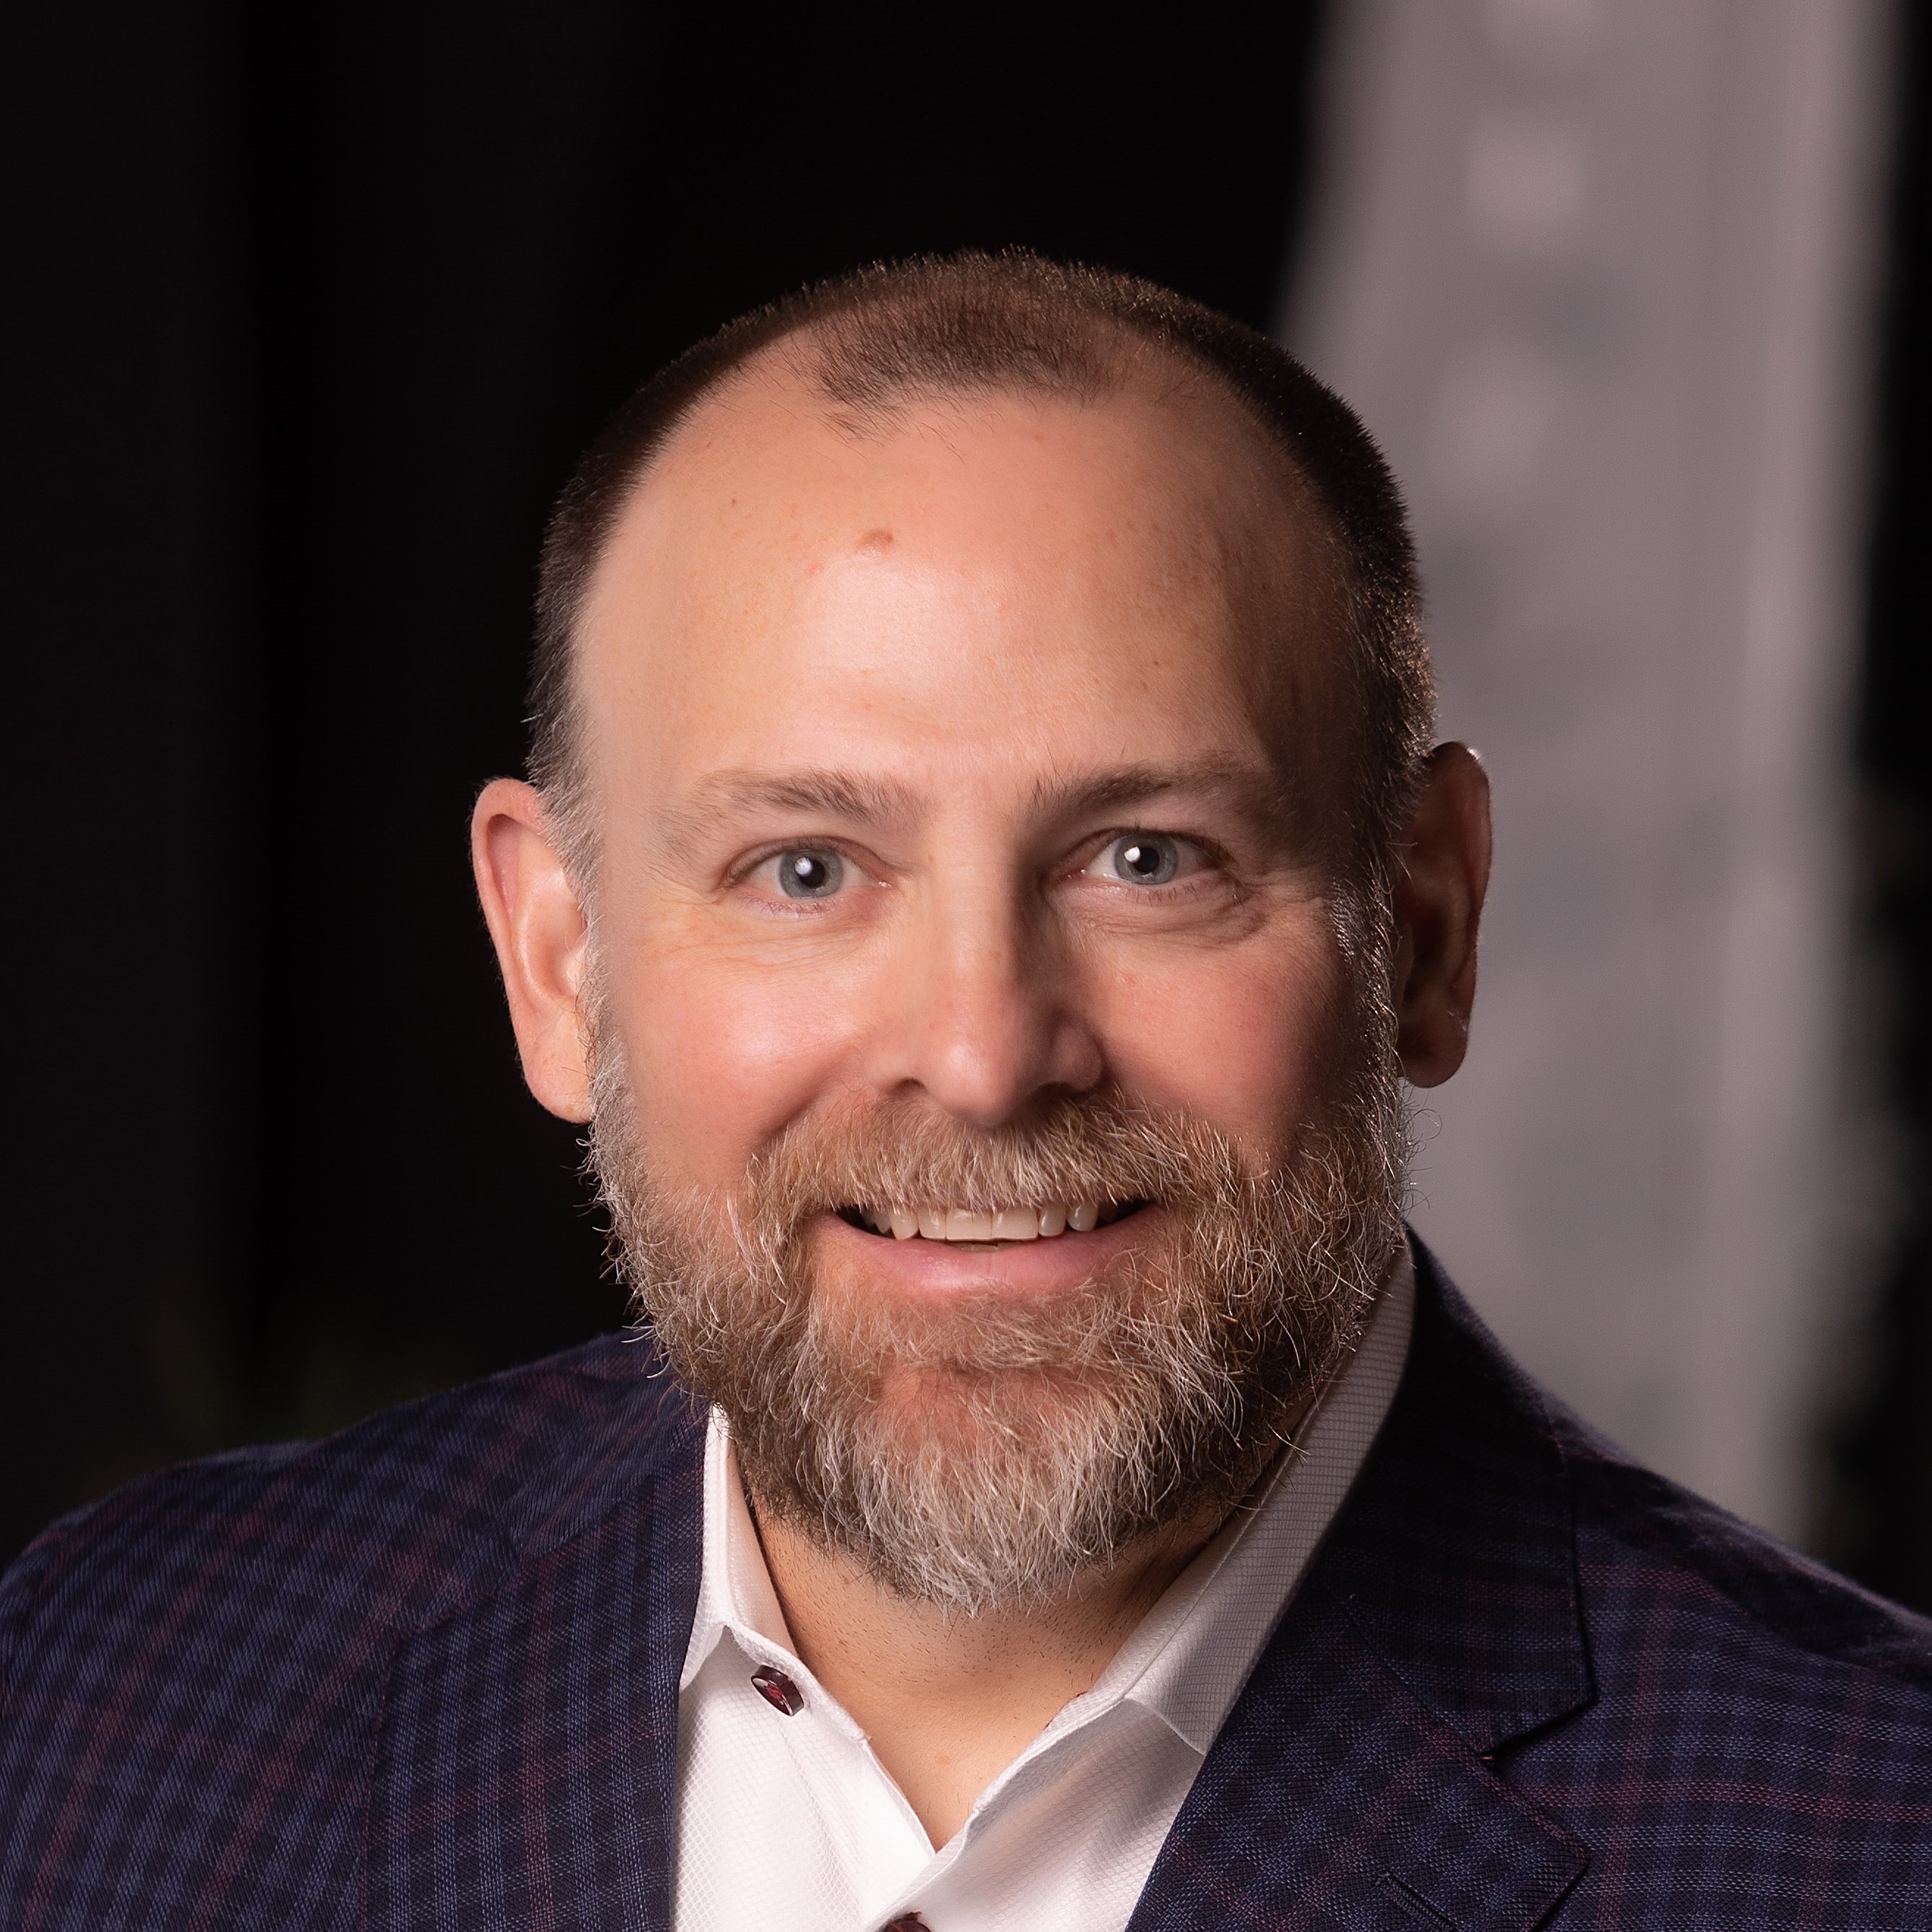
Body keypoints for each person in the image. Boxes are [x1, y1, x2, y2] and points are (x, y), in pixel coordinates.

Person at [1, 253, 1926, 1931]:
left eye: (1148, 858)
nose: (989, 1057)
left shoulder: (1868, 1848)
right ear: (556, 962)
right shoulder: (112, 1705)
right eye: (806, 869)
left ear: (1422, 924)